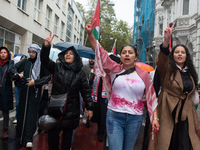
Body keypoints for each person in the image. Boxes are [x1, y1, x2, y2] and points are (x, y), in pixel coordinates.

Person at [86, 19, 159, 150]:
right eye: (124, 52)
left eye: (130, 52)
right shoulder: (114, 69)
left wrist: (155, 118)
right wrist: (90, 34)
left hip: (135, 119)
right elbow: (100, 51)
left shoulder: (144, 75)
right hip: (114, 116)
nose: (127, 54)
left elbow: (152, 98)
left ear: (135, 57)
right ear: (121, 57)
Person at [148, 22, 200, 150]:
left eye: (183, 52)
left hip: (187, 114)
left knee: (186, 143)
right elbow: (162, 59)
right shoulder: (167, 69)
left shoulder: (191, 73)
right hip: (167, 111)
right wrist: (166, 40)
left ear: (186, 56)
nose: (180, 54)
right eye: (177, 52)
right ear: (173, 55)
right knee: (167, 143)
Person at [40, 32, 93, 150]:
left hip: (71, 110)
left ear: (75, 57)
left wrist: (89, 106)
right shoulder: (57, 67)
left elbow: (85, 91)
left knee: (67, 140)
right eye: (66, 53)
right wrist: (46, 46)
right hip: (55, 108)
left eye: (71, 53)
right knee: (52, 138)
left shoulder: (80, 73)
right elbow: (44, 60)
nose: (68, 55)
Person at [10, 44, 51, 148]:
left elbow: (47, 78)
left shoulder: (41, 64)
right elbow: (13, 68)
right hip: (24, 90)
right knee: (21, 113)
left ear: (37, 52)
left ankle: (29, 138)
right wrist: (17, 74)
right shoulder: (26, 61)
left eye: (33, 52)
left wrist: (35, 82)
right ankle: (20, 137)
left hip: (35, 92)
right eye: (30, 52)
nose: (31, 54)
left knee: (31, 115)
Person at [0, 46, 14, 140]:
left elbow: (10, 72)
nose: (3, 54)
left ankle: (5, 131)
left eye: (5, 52)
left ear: (8, 54)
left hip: (5, 91)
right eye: (1, 53)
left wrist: (12, 60)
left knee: (5, 112)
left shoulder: (9, 64)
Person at [13, 55, 27, 124]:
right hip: (18, 86)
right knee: (18, 103)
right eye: (22, 59)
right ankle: (16, 117)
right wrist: (17, 74)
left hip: (25, 86)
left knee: (24, 103)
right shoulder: (18, 67)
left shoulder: (28, 67)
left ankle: (23, 118)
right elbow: (13, 69)